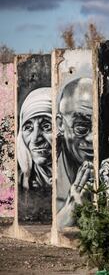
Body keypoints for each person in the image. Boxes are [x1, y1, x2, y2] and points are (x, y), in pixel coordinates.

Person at [56, 77, 94, 228]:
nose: (92, 138)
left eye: (98, 126)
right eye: (81, 128)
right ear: (60, 124)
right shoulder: (48, 175)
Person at [17, 87, 52, 220]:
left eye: (47, 126)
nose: (36, 139)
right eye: (28, 128)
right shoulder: (20, 182)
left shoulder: (76, 181)